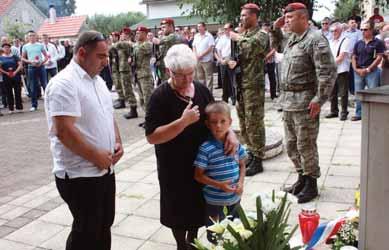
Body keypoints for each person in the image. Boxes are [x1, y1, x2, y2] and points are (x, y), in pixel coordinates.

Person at [145, 44, 238, 250]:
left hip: (202, 164)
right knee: (177, 209)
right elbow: (152, 136)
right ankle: (181, 244)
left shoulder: (201, 90)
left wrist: (230, 133)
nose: (187, 80)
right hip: (174, 166)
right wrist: (182, 122)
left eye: (191, 73)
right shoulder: (159, 97)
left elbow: (218, 114)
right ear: (169, 71)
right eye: (181, 75)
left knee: (198, 206)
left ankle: (192, 241)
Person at [44, 31, 123, 250]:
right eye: (101, 56)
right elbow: (64, 131)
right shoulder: (64, 83)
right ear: (81, 53)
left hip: (104, 169)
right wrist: (96, 156)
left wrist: (117, 142)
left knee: (104, 225)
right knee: (86, 232)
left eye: (107, 56)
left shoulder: (97, 81)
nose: (106, 62)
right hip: (80, 174)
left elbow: (108, 115)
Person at [273, 2, 336, 203]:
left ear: (303, 18)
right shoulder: (293, 39)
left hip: (306, 102)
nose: (286, 22)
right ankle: (301, 177)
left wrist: (319, 99)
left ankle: (312, 184)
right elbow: (277, 45)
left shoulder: (315, 40)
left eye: (290, 18)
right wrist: (275, 29)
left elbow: (327, 72)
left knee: (305, 144)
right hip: (289, 101)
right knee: (291, 144)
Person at [193, 101, 246, 244]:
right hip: (214, 202)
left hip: (235, 198)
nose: (218, 126)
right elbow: (198, 175)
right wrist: (219, 185)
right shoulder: (206, 149)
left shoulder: (236, 145)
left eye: (223, 121)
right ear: (207, 124)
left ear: (230, 122)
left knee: (237, 231)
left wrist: (241, 183)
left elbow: (242, 165)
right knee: (215, 234)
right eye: (214, 122)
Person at [229, 3, 269, 176]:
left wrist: (237, 38)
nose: (242, 18)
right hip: (241, 84)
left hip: (253, 85)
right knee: (244, 121)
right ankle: (250, 153)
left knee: (255, 122)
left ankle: (258, 157)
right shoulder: (243, 35)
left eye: (245, 15)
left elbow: (252, 46)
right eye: (241, 15)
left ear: (254, 16)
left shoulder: (261, 35)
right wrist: (232, 62)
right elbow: (240, 55)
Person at [351, 20, 385, 121]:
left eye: (365, 29)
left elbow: (379, 58)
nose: (362, 31)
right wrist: (356, 69)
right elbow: (353, 57)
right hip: (358, 71)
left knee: (373, 92)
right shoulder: (358, 43)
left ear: (371, 30)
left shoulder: (378, 43)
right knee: (358, 93)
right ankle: (359, 113)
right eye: (361, 29)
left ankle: (373, 113)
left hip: (372, 72)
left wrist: (368, 69)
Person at [326, 22, 351, 121]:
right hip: (332, 70)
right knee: (332, 92)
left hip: (342, 70)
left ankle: (344, 112)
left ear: (340, 30)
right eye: (331, 31)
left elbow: (341, 57)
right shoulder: (331, 41)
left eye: (335, 30)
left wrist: (328, 64)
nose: (333, 33)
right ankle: (334, 111)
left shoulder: (345, 40)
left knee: (343, 92)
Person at [21, 30, 49, 111]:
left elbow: (46, 56)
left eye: (33, 35)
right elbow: (22, 58)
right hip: (31, 67)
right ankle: (34, 105)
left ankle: (49, 104)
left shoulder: (40, 45)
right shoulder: (25, 46)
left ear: (36, 36)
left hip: (41, 67)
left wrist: (42, 62)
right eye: (30, 35)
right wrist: (30, 61)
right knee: (33, 86)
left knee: (45, 84)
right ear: (28, 37)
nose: (32, 37)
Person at [133, 25, 154, 127]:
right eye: (136, 33)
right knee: (141, 99)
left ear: (145, 34)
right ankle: (147, 118)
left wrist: (135, 45)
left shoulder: (147, 44)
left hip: (145, 75)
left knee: (148, 99)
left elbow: (138, 50)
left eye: (139, 33)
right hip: (138, 74)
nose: (137, 35)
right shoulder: (137, 45)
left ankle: (152, 120)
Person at [152, 18, 185, 82]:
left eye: (164, 27)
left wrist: (154, 39)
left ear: (170, 27)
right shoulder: (165, 37)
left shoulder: (174, 36)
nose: (162, 29)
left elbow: (158, 41)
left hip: (173, 68)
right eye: (161, 27)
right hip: (164, 68)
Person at [214, 23, 236, 105]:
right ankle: (225, 98)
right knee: (224, 81)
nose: (225, 31)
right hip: (223, 61)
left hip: (231, 60)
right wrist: (220, 59)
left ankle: (234, 98)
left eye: (227, 29)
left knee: (232, 81)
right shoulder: (222, 38)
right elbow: (217, 50)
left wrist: (230, 59)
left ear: (231, 29)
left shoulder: (234, 37)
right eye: (225, 29)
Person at [0, 43, 23, 113]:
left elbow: (20, 65)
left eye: (7, 47)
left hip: (16, 76)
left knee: (18, 92)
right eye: (4, 47)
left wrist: (15, 72)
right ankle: (11, 108)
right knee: (8, 93)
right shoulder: (1, 58)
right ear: (2, 49)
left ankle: (19, 107)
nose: (6, 49)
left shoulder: (15, 56)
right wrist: (6, 73)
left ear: (10, 48)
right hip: (6, 77)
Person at [193, 22, 215, 93]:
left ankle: (209, 93)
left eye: (200, 26)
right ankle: (202, 92)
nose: (198, 28)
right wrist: (195, 54)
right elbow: (194, 46)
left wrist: (202, 55)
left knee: (208, 77)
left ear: (204, 27)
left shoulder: (209, 36)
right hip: (198, 60)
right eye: (198, 27)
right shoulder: (196, 36)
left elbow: (211, 47)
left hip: (207, 60)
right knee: (200, 78)